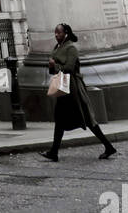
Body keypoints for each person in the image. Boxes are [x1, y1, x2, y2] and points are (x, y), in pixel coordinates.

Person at [41, 23, 116, 163]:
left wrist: (54, 65)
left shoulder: (71, 48)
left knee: (86, 118)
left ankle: (108, 146)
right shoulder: (57, 47)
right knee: (60, 119)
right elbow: (54, 69)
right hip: (63, 88)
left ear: (66, 34)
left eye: (59, 33)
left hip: (73, 88)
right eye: (55, 33)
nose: (56, 35)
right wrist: (52, 66)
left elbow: (69, 68)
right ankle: (54, 152)